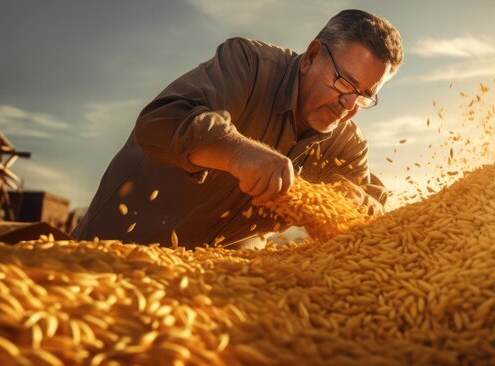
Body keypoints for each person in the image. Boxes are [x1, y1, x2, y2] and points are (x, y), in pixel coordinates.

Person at [72, 9, 404, 249]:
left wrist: (364, 205)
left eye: (363, 96)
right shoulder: (249, 65)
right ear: (312, 56)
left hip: (214, 284)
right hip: (112, 251)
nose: (348, 105)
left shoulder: (346, 147)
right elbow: (160, 122)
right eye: (344, 82)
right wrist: (238, 153)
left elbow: (361, 216)